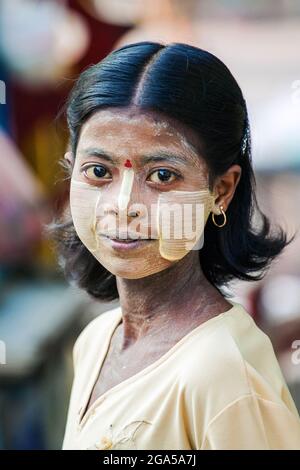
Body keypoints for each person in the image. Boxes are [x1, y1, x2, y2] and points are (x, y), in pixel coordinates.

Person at [54, 42, 300, 450]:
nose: (124, 206)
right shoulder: (96, 341)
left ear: (220, 191)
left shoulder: (223, 375)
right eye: (99, 171)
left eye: (163, 176)